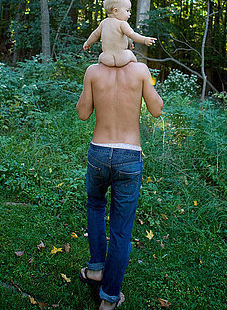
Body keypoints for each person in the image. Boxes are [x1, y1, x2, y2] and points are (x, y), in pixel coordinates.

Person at [77, 61, 163, 309]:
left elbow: (83, 113)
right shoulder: (141, 71)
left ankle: (95, 269)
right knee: (121, 229)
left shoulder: (92, 71)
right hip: (129, 154)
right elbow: (156, 109)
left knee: (95, 206)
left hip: (100, 152)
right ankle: (109, 299)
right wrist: (146, 83)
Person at [83, 0, 156, 67]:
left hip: (106, 58)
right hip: (121, 57)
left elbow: (95, 35)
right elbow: (132, 35)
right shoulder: (122, 23)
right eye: (127, 11)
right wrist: (144, 40)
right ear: (115, 11)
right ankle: (134, 67)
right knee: (131, 54)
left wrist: (87, 43)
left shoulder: (103, 23)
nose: (129, 14)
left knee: (101, 56)